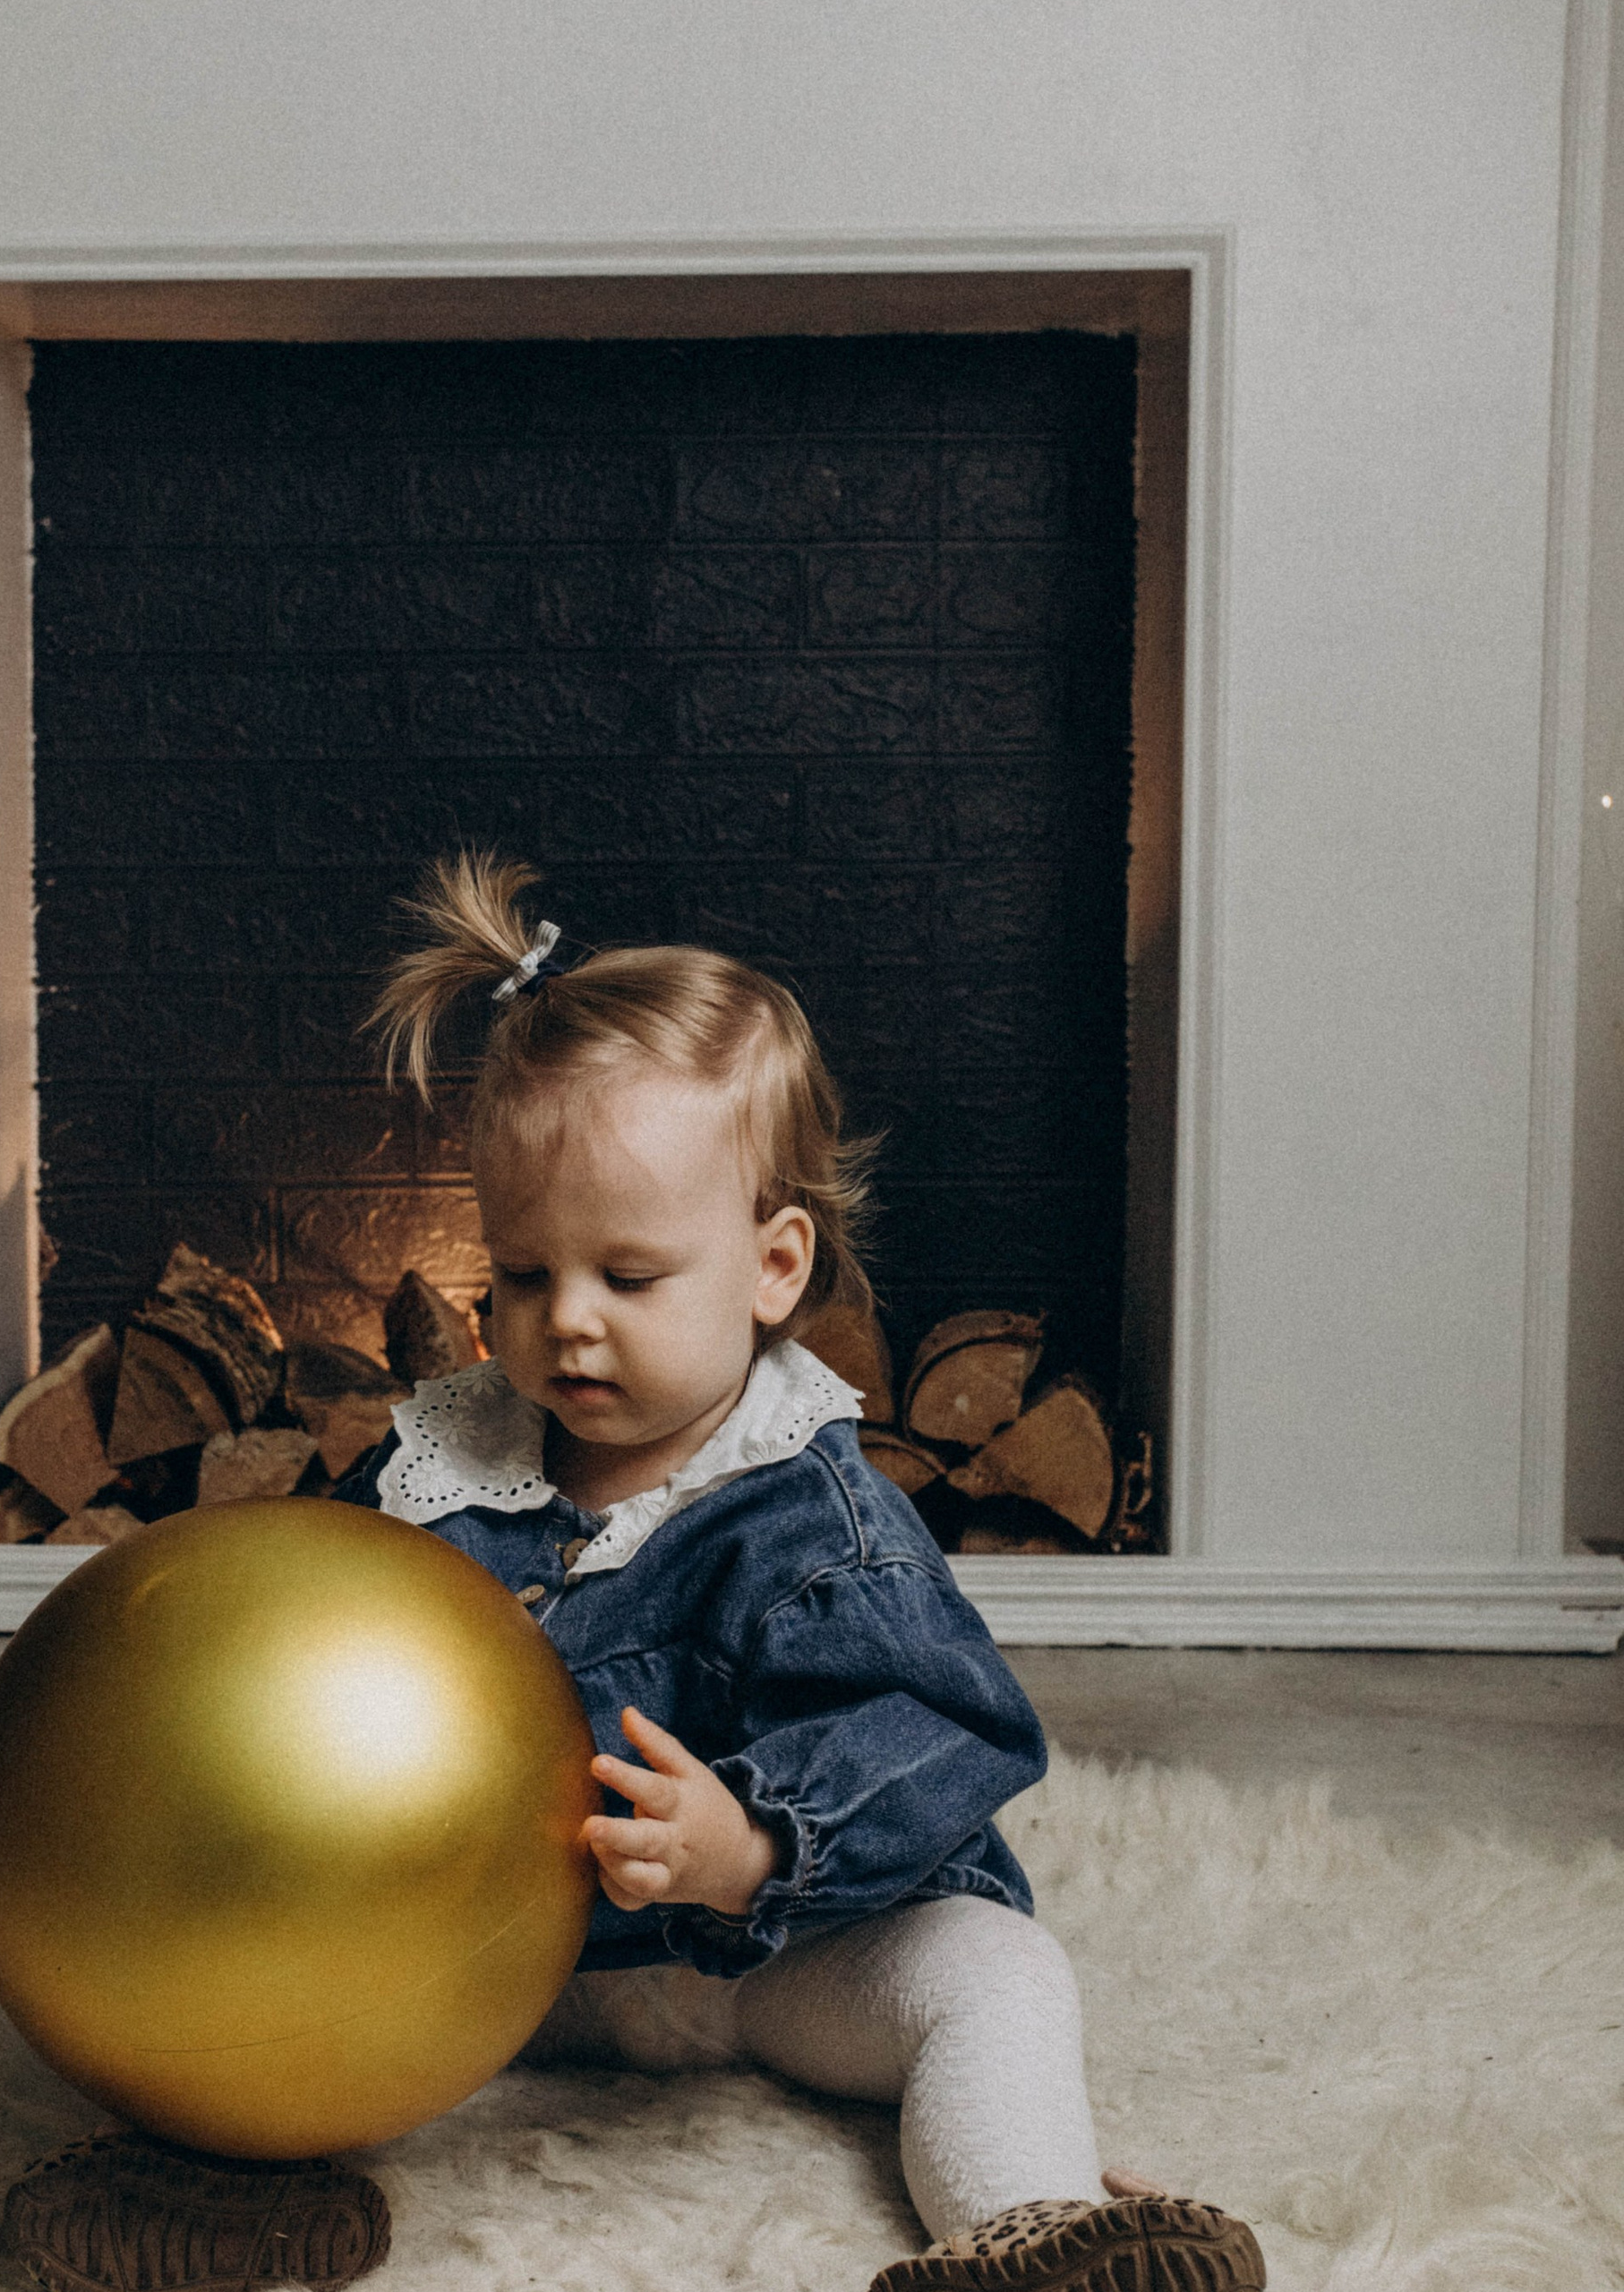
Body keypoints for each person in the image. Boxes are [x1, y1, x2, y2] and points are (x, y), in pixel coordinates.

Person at [336, 852, 1263, 2292]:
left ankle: (1035, 2227)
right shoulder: (433, 1470)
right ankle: (209, 2176)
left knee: (995, 1975)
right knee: (275, 1965)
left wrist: (754, 1846)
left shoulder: (812, 1514)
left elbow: (953, 1735)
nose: (566, 1324)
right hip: (509, 1966)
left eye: (628, 1280)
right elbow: (298, 1650)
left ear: (773, 1268)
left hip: (770, 1960)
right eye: (524, 1275)